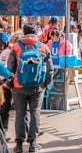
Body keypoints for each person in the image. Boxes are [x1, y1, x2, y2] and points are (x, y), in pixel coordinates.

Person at [7, 23, 54, 153]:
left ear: (23, 32)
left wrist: (11, 84)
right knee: (35, 113)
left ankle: (19, 145)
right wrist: (45, 83)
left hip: (19, 86)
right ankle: (33, 143)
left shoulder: (16, 47)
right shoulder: (43, 47)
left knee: (20, 114)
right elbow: (50, 69)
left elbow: (9, 68)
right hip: (37, 86)